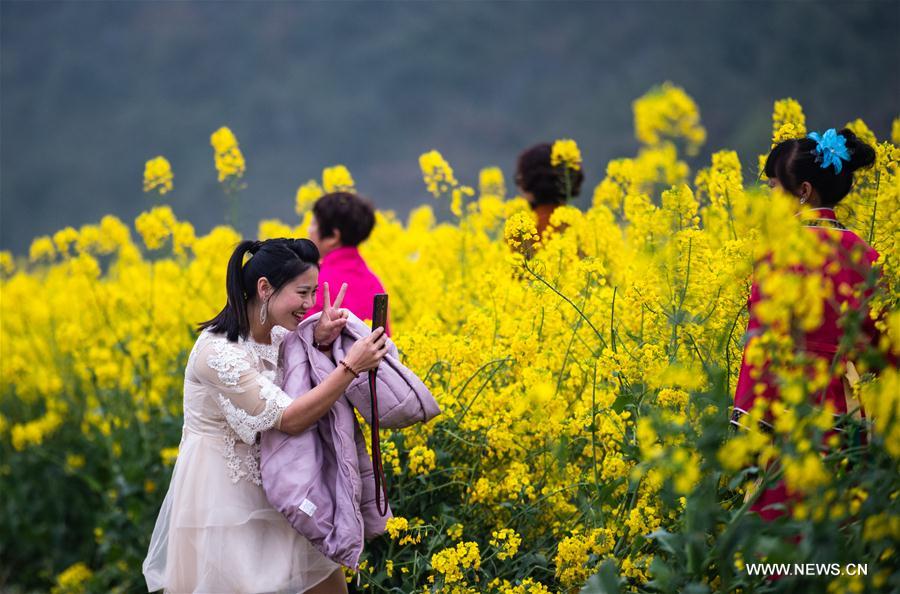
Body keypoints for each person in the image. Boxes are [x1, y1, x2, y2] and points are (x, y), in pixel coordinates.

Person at [143, 238, 388, 594]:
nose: (310, 304)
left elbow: (299, 373)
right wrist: (351, 367)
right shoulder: (217, 353)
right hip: (224, 501)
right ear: (264, 288)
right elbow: (289, 418)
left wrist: (320, 340)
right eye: (302, 293)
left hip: (285, 486)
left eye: (313, 292)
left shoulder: (280, 335)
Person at [731, 128, 880, 521]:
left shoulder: (778, 252)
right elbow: (883, 346)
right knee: (840, 527)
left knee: (783, 529)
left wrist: (746, 423)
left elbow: (762, 345)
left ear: (803, 192)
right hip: (847, 414)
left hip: (787, 409)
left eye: (773, 187)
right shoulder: (866, 255)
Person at [305, 191, 391, 336]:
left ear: (333, 237)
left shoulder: (316, 281)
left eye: (313, 224)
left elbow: (302, 339)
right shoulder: (374, 282)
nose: (308, 230)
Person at [514, 142, 585, 237]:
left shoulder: (521, 231)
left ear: (530, 182)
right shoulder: (585, 225)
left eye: (519, 179)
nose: (518, 187)